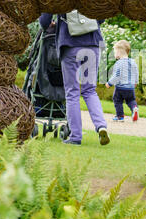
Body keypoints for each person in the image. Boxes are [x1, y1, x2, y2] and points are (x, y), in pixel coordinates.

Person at [39, 11, 109, 146]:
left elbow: (44, 20)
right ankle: (101, 126)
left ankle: (75, 136)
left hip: (70, 44)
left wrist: (50, 25)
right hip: (92, 44)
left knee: (72, 92)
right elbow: (101, 17)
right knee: (89, 90)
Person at [105, 40, 139, 122]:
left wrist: (109, 83)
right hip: (130, 87)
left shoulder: (119, 63)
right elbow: (136, 73)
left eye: (115, 52)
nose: (114, 54)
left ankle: (120, 116)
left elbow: (117, 75)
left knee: (117, 100)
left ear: (119, 52)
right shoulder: (133, 62)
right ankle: (134, 108)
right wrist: (135, 82)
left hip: (120, 87)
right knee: (131, 100)